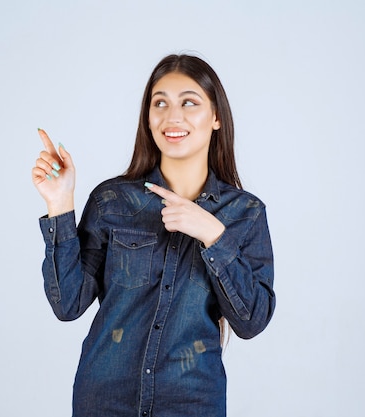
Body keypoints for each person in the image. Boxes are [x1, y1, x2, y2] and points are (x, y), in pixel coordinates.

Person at [31, 54, 275, 417]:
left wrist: (212, 234)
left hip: (192, 402)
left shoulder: (245, 214)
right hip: (104, 400)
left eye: (189, 102)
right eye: (159, 103)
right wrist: (60, 202)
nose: (172, 116)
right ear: (148, 118)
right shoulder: (111, 201)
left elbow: (251, 321)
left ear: (216, 117)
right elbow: (67, 305)